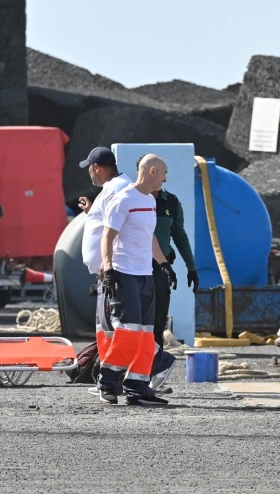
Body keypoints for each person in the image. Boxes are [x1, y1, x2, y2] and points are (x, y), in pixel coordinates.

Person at [97, 154, 173, 406]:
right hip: (124, 273)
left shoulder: (150, 201)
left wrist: (163, 264)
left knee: (146, 335)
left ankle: (138, 386)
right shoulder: (124, 200)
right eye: (164, 173)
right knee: (129, 332)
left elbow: (149, 237)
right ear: (152, 171)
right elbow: (107, 237)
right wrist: (108, 269)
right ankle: (108, 380)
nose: (165, 178)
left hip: (145, 275)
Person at [144, 161, 199, 392]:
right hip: (134, 267)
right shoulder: (133, 199)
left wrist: (191, 267)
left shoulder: (172, 202)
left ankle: (153, 376)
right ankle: (128, 376)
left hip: (161, 270)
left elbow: (179, 235)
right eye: (163, 174)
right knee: (134, 324)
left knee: (157, 322)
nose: (165, 179)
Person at [79, 147, 132, 372]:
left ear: (96, 167)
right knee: (106, 326)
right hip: (108, 269)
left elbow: (118, 228)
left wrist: (107, 262)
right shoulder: (114, 187)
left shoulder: (114, 189)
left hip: (110, 270)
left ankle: (113, 377)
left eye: (89, 168)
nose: (89, 172)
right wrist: (92, 211)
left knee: (111, 326)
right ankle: (108, 376)